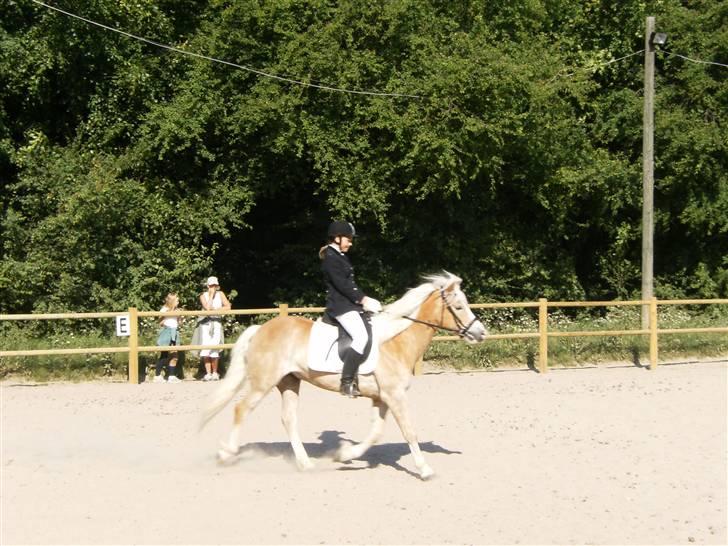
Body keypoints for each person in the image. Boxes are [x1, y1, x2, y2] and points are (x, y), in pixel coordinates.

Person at [319, 220, 382, 397]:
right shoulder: (331, 258)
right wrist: (362, 299)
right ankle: (346, 382)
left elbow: (351, 284)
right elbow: (342, 285)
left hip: (349, 304)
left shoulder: (339, 255)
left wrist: (364, 300)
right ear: (337, 238)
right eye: (348, 239)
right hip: (340, 307)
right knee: (360, 337)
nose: (351, 242)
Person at [198, 276, 231, 381]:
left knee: (214, 348)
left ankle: (215, 372)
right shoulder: (203, 296)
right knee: (206, 348)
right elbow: (207, 308)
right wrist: (211, 296)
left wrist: (216, 309)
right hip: (205, 324)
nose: (213, 287)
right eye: (211, 285)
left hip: (216, 323)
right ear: (208, 286)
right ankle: (208, 373)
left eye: (215, 285)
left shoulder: (221, 294)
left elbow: (228, 306)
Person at [154, 293, 182, 383]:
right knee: (164, 355)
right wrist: (169, 314)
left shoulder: (178, 310)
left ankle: (171, 376)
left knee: (174, 355)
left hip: (175, 332)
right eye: (177, 300)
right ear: (172, 301)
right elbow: (160, 322)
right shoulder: (164, 309)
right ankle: (157, 376)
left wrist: (179, 316)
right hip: (167, 332)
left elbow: (179, 323)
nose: (178, 301)